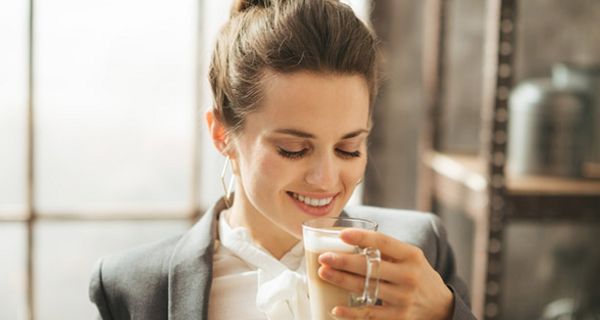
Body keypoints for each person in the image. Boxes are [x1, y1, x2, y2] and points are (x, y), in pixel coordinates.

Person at [89, 0, 475, 319]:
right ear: (222, 134)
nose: (326, 179)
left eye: (348, 149)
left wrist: (444, 312)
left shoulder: (420, 248)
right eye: (293, 149)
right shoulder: (134, 288)